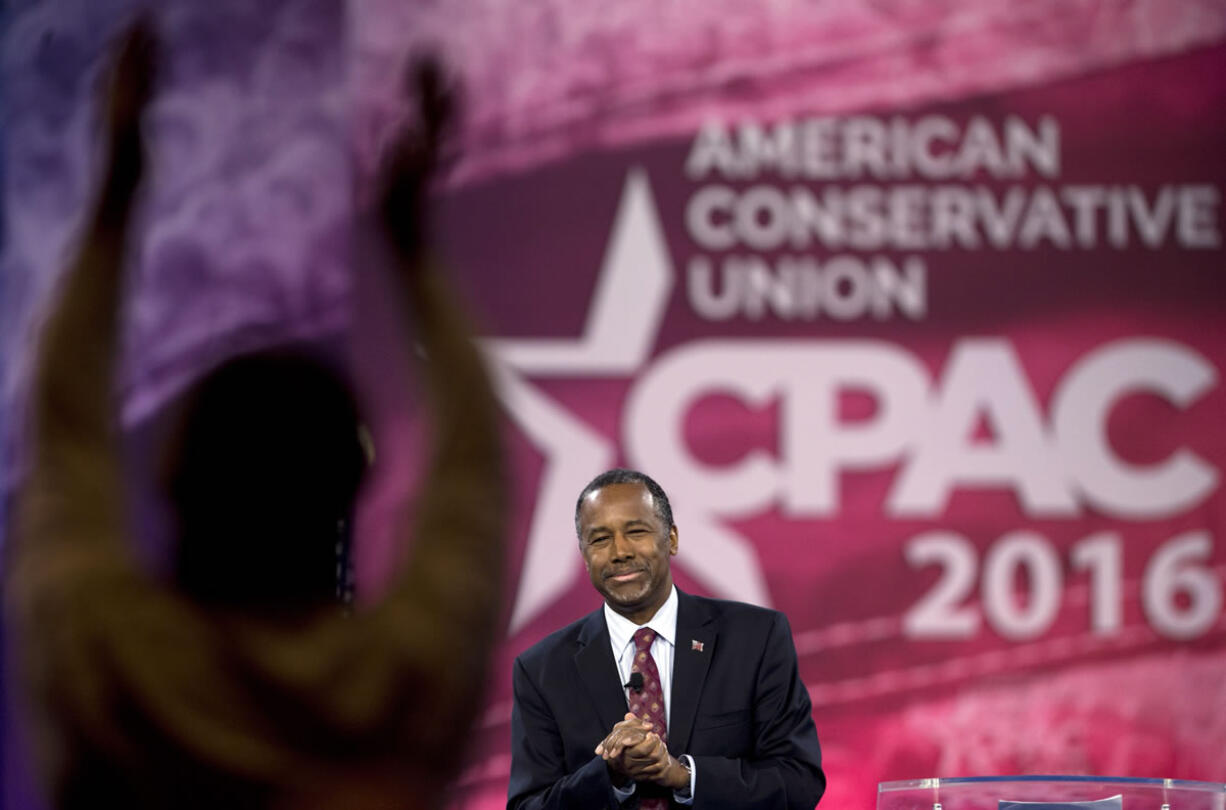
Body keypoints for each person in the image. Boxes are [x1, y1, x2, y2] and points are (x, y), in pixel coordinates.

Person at [4, 19, 505, 810]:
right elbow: (474, 472)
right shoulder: (411, 683)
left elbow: (63, 438)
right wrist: (412, 251)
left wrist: (116, 193)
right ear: (351, 493)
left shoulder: (104, 666)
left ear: (173, 482)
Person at [507, 469, 825, 810]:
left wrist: (684, 775)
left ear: (671, 539)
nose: (620, 551)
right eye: (600, 539)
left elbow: (798, 781)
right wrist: (610, 775)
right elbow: (528, 806)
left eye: (636, 531)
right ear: (584, 557)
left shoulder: (755, 639)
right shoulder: (542, 670)